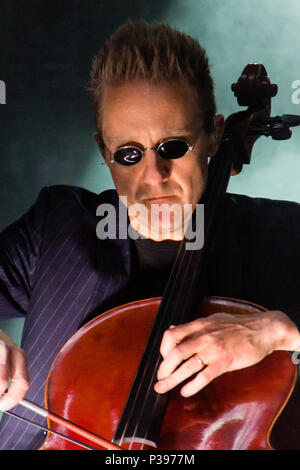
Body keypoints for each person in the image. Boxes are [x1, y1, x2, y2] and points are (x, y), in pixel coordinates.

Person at [0, 20, 299, 450]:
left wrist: (281, 332)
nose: (152, 176)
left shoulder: (283, 234)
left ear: (214, 135)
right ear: (104, 152)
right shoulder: (58, 228)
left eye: (173, 146)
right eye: (128, 154)